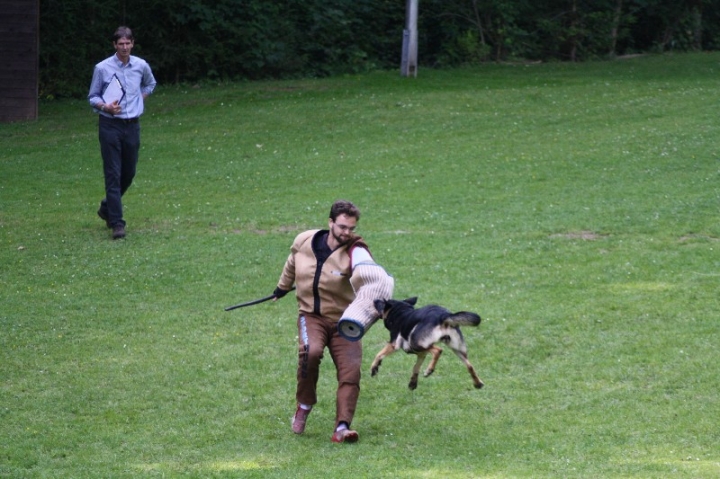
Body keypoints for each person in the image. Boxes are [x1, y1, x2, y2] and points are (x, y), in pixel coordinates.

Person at [274, 200, 391, 443]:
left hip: (345, 322)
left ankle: (342, 428)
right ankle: (304, 406)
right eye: (342, 227)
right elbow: (292, 262)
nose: (347, 232)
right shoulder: (305, 240)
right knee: (310, 351)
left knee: (350, 372)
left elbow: (367, 270)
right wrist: (282, 287)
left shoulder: (356, 250)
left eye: (351, 228)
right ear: (330, 223)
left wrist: (377, 285)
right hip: (311, 316)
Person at [87, 26, 156, 240]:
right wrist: (106, 107)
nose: (125, 47)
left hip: (132, 125)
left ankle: (107, 207)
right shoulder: (102, 68)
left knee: (129, 172)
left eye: (128, 43)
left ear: (132, 43)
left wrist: (139, 99)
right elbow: (93, 97)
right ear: (114, 45)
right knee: (113, 174)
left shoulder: (140, 66)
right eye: (121, 44)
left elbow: (150, 84)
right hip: (110, 125)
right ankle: (117, 223)